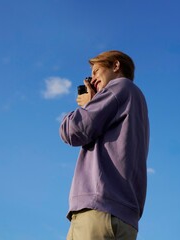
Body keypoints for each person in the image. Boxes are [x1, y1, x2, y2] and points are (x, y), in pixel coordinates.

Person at [59, 50, 150, 240]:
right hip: (126, 218)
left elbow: (73, 131)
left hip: (98, 211)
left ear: (115, 66)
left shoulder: (120, 87)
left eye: (96, 72)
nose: (92, 80)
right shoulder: (136, 101)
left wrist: (87, 106)